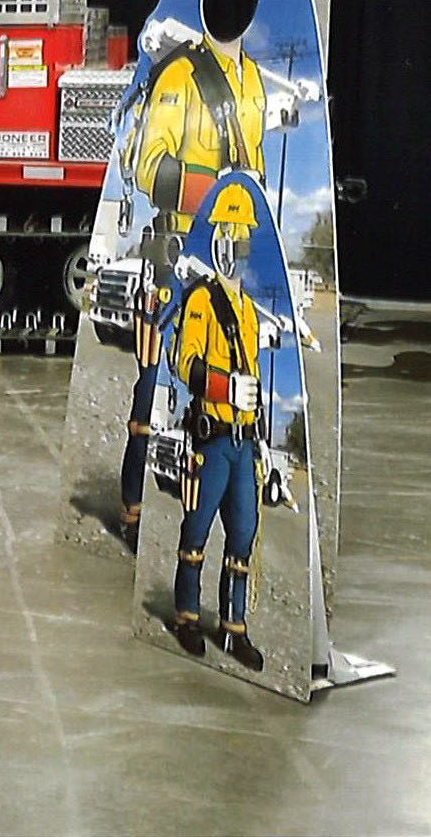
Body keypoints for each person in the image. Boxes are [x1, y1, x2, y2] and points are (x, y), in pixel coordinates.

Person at [116, 0, 273, 551]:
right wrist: (216, 196)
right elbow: (146, 165)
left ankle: (192, 525)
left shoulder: (258, 84)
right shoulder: (180, 77)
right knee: (153, 392)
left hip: (231, 267)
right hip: (176, 256)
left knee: (216, 401)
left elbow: (257, 175)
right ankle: (131, 512)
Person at [165, 183, 267, 673]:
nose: (232, 245)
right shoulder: (201, 300)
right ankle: (187, 616)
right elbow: (184, 361)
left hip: (244, 443)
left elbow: (256, 377)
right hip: (213, 438)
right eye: (225, 235)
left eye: (240, 237)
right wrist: (226, 390)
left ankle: (234, 627)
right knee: (197, 530)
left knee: (244, 535)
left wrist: (262, 440)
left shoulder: (248, 309)